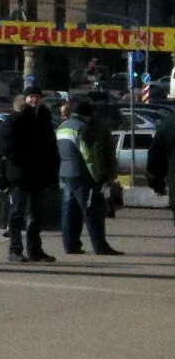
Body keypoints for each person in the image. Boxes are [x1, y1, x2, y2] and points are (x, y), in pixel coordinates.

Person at [1, 85, 60, 264]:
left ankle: (35, 250)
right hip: (19, 175)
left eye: (37, 97)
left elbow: (51, 149)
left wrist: (52, 172)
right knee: (17, 213)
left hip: (39, 175)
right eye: (31, 97)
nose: (34, 100)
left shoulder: (45, 120)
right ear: (25, 99)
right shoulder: (15, 119)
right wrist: (24, 161)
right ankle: (15, 249)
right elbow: (6, 147)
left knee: (37, 214)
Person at [56, 96, 122, 256]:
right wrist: (98, 176)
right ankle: (100, 246)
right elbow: (89, 157)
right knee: (93, 210)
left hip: (65, 174)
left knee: (69, 211)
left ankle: (70, 245)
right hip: (83, 175)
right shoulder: (83, 129)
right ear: (88, 114)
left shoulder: (62, 127)